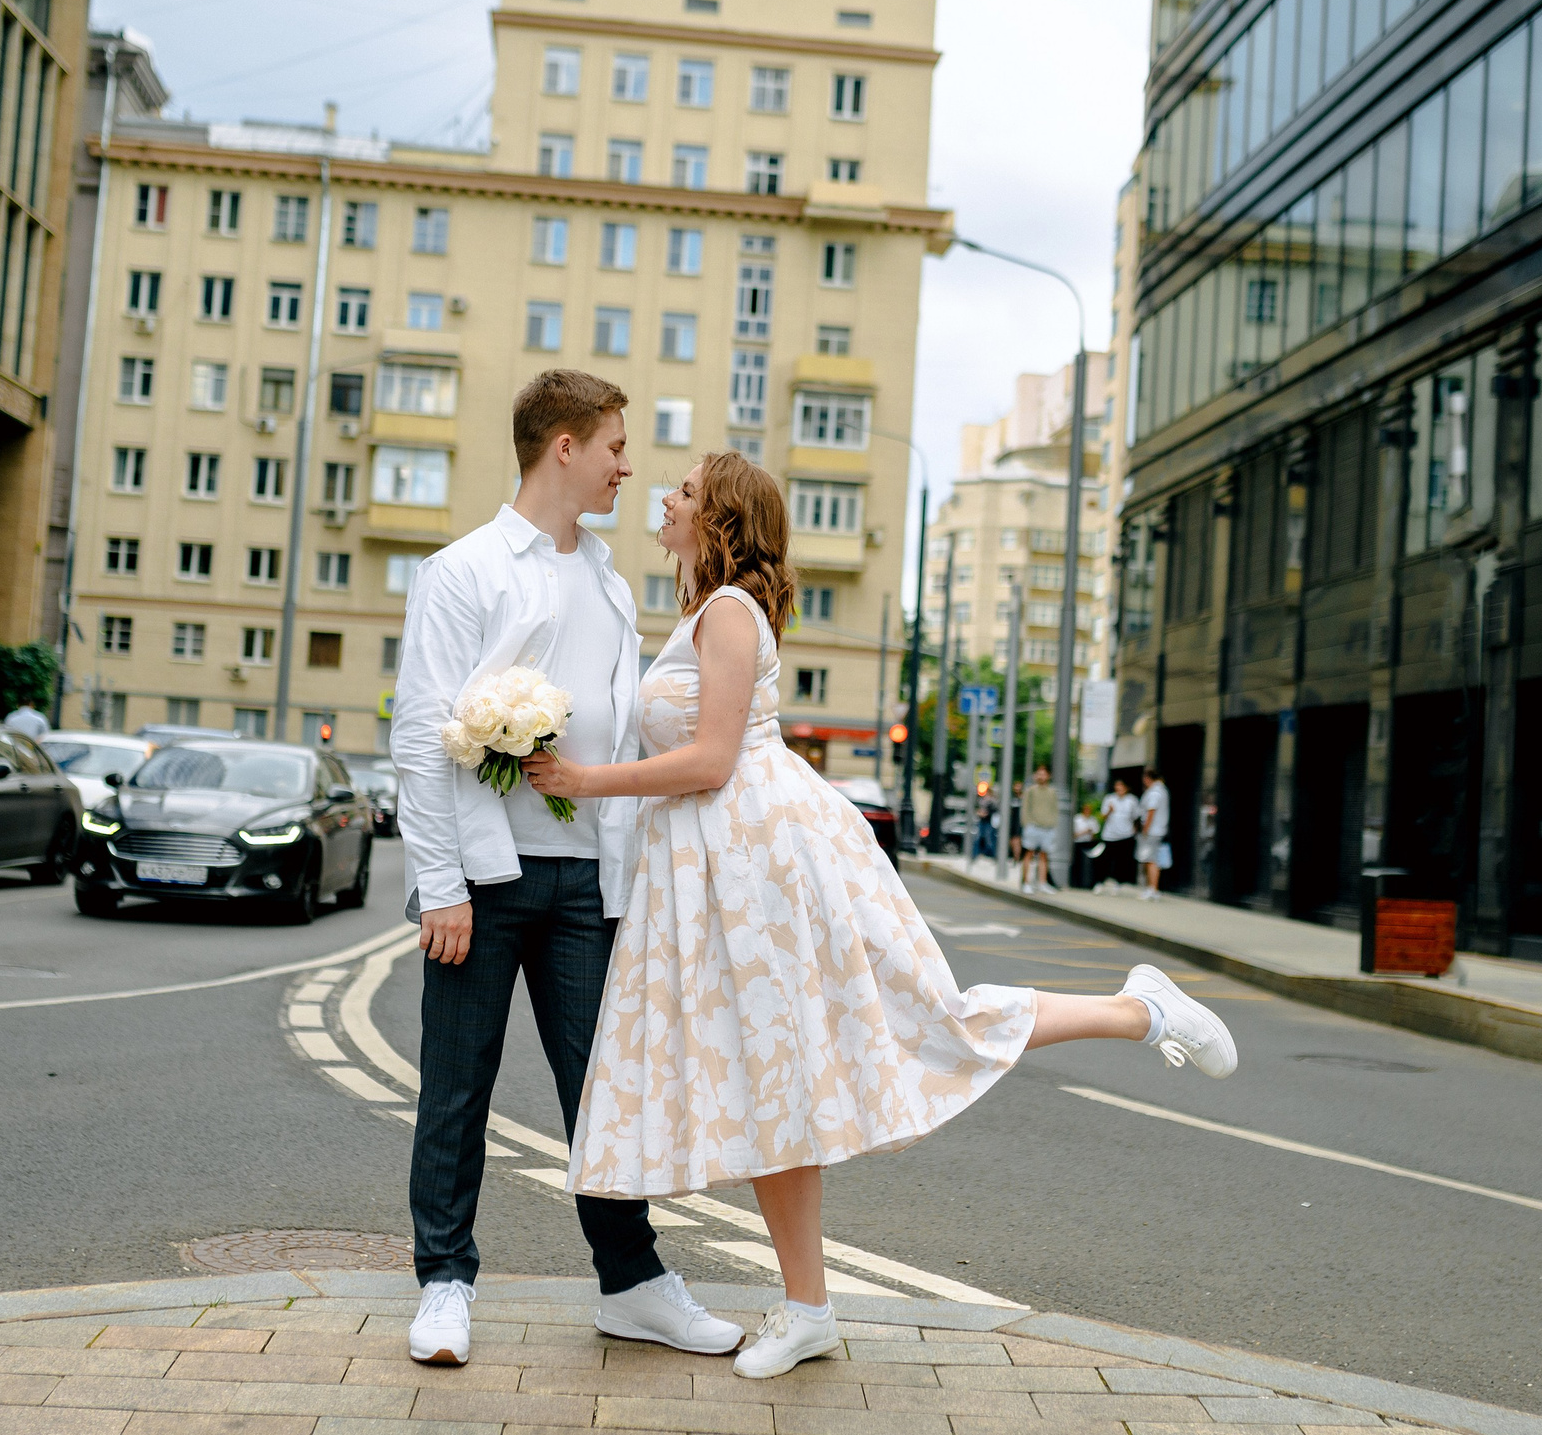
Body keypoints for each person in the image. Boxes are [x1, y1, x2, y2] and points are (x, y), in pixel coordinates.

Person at [526, 453, 1239, 1380]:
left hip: (762, 869)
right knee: (771, 1085)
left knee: (915, 1030)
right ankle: (808, 1310)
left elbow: (712, 760)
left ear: (722, 518)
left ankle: (1140, 1010)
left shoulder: (730, 610)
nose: (667, 496)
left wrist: (582, 780)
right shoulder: (708, 609)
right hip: (725, 873)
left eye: (687, 491)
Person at [390, 369, 739, 1372]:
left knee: (604, 1089)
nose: (628, 467)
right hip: (485, 882)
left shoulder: (612, 583)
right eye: (617, 446)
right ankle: (444, 1281)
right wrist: (442, 885)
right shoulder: (463, 572)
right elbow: (420, 735)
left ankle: (631, 1284)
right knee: (457, 1088)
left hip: (590, 883)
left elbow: (621, 731)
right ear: (566, 447)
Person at [1093, 774, 1141, 893]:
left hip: (1125, 835)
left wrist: (1134, 830)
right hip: (1110, 835)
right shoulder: (1110, 799)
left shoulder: (1132, 800)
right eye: (1117, 786)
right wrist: (1109, 811)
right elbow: (1103, 816)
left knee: (1121, 861)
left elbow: (1136, 817)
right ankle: (1100, 882)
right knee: (1105, 860)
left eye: (1121, 786)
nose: (1118, 788)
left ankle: (1118, 883)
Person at [1018, 764, 1059, 894]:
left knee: (1044, 855)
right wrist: (1027, 823)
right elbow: (1025, 808)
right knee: (1029, 854)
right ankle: (1026, 882)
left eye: (1043, 774)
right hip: (1033, 826)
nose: (1041, 776)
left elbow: (1054, 809)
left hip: (1047, 827)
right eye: (1039, 774)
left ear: (1048, 776)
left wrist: (1052, 823)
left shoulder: (1052, 792)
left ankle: (1042, 883)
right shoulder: (1030, 790)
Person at [1138, 769, 1173, 901]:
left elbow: (1151, 812)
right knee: (1153, 860)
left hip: (1152, 831)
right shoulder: (1163, 790)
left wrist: (1145, 830)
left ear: (1148, 778)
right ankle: (1152, 888)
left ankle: (1152, 889)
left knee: (1150, 860)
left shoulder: (1154, 792)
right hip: (1158, 830)